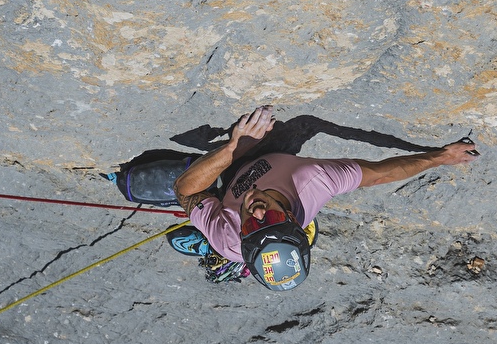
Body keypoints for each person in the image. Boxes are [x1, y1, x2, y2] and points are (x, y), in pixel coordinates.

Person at [172, 105, 480, 264]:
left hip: (226, 206)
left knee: (155, 178)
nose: (257, 212)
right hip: (265, 166)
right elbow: (380, 174)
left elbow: (184, 191)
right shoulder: (315, 181)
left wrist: (231, 150)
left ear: (243, 235)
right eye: (274, 219)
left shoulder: (230, 241)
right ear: (292, 218)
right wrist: (439, 157)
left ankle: (207, 242)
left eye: (251, 226)